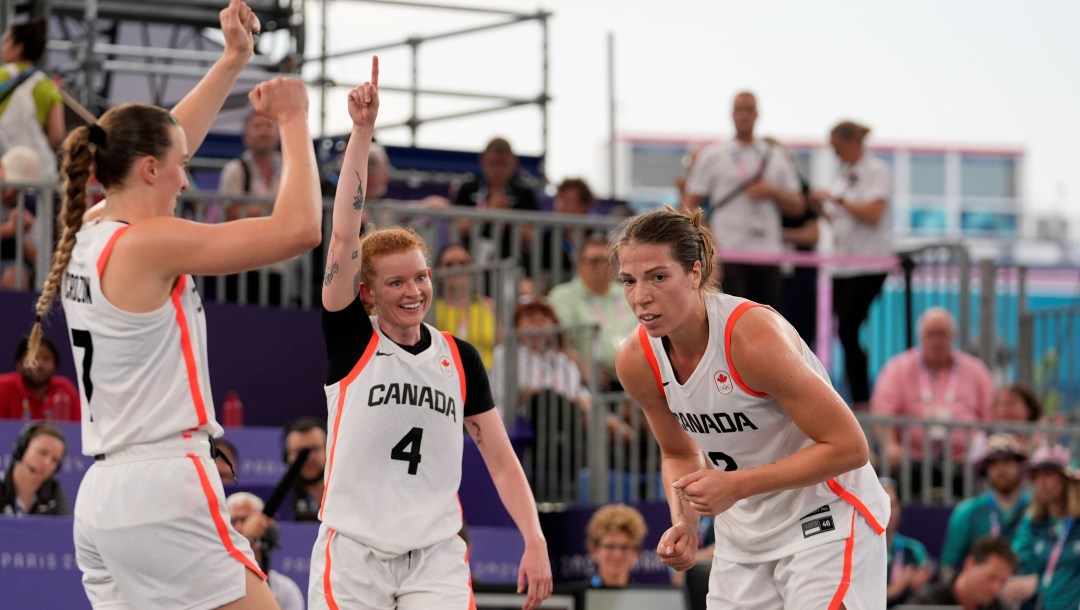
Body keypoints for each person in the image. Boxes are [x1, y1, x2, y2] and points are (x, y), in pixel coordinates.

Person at [20, 2, 321, 607]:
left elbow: (161, 137)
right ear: (151, 168)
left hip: (104, 494)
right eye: (180, 168)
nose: (187, 181)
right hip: (164, 482)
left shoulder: (93, 223)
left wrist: (233, 59)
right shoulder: (149, 243)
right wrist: (293, 120)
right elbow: (299, 230)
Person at [309, 59, 552, 610]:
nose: (415, 290)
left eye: (421, 276)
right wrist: (363, 131)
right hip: (354, 552)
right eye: (396, 282)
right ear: (368, 292)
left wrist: (534, 539)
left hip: (435, 553)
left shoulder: (458, 357)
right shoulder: (353, 339)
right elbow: (346, 228)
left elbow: (500, 458)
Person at [612, 205, 889, 608]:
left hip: (827, 520)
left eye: (658, 276)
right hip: (744, 535)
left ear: (694, 272)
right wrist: (686, 522)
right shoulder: (636, 358)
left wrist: (736, 485)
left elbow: (849, 448)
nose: (641, 296)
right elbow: (678, 452)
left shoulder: (752, 338)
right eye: (628, 281)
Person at [680, 91, 805, 310]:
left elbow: (798, 206)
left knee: (768, 322)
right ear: (732, 114)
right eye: (740, 110)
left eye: (749, 110)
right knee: (730, 321)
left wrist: (771, 191)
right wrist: (710, 250)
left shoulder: (775, 155)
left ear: (756, 114)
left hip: (767, 255)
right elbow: (688, 206)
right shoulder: (714, 154)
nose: (744, 116)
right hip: (729, 254)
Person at [809, 120, 893, 410]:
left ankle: (861, 398)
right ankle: (852, 394)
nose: (834, 153)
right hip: (844, 266)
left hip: (868, 264)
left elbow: (872, 213)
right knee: (845, 331)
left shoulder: (876, 171)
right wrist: (823, 207)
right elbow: (843, 219)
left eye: (836, 146)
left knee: (848, 328)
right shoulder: (846, 176)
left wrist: (836, 199)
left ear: (849, 141)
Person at [871, 307, 995, 499]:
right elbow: (883, 411)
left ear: (954, 337)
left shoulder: (976, 370)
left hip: (965, 463)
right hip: (911, 460)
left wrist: (978, 452)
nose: (937, 341)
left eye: (943, 335)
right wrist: (890, 445)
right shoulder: (898, 368)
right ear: (920, 336)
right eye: (931, 335)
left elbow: (991, 419)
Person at [548, 233, 638, 392]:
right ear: (579, 265)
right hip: (594, 383)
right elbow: (557, 343)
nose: (601, 267)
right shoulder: (562, 297)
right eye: (594, 261)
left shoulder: (628, 291)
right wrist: (581, 367)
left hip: (638, 376)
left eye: (607, 261)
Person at [939, 434, 1030, 583]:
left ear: (1020, 466)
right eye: (993, 464)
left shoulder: (1037, 509)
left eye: (1007, 461)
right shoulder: (967, 511)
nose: (1001, 469)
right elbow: (948, 567)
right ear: (985, 470)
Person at [1001, 445, 1080, 610]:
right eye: (1035, 476)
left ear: (1067, 479)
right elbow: (1018, 559)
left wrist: (1040, 584)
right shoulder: (1031, 521)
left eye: (1049, 474)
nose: (1041, 482)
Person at [0, 17, 65, 184]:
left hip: (4, 171)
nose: (2, 47)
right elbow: (57, 136)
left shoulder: (2, 76)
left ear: (18, 48)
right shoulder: (48, 86)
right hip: (38, 175)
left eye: (6, 41)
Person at [227, 492, 306, 610]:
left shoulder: (285, 589)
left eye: (245, 520)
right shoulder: (216, 585)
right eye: (232, 521)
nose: (238, 528)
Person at [907, 536, 1017, 610]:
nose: (996, 589)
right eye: (991, 577)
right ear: (970, 564)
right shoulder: (926, 604)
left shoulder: (999, 607)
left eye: (1003, 582)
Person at [433, 243, 497, 368]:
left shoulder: (488, 306)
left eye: (463, 263)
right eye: (449, 264)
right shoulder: (431, 310)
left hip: (488, 380)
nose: (457, 269)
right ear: (439, 272)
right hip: (449, 380)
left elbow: (501, 348)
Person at [880, 478, 933, 607]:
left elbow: (924, 592)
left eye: (892, 505)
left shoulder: (914, 550)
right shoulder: (857, 550)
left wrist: (919, 582)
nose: (887, 512)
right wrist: (900, 586)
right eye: (881, 504)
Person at [0, 335, 80, 421]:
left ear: (55, 366)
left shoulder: (64, 389)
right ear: (19, 364)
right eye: (33, 358)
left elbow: (80, 429)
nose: (40, 364)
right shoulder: (3, 387)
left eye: (47, 358)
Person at [0, 420, 68, 515]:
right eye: (42, 452)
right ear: (22, 449)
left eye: (54, 460)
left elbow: (62, 527)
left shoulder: (53, 491)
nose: (47, 463)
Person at [0, 145, 40, 289]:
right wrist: (7, 230)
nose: (11, 192)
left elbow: (40, 261)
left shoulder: (31, 204)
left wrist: (21, 234)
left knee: (16, 276)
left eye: (19, 187)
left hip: (12, 265)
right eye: (10, 181)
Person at [585, 503, 648, 588]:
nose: (617, 554)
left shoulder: (644, 599)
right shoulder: (580, 598)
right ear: (593, 550)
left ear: (636, 553)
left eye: (625, 547)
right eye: (610, 546)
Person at [281, 415, 327, 521]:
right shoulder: (280, 501)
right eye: (300, 452)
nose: (308, 458)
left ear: (328, 450)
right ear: (287, 456)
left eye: (314, 449)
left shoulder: (348, 494)